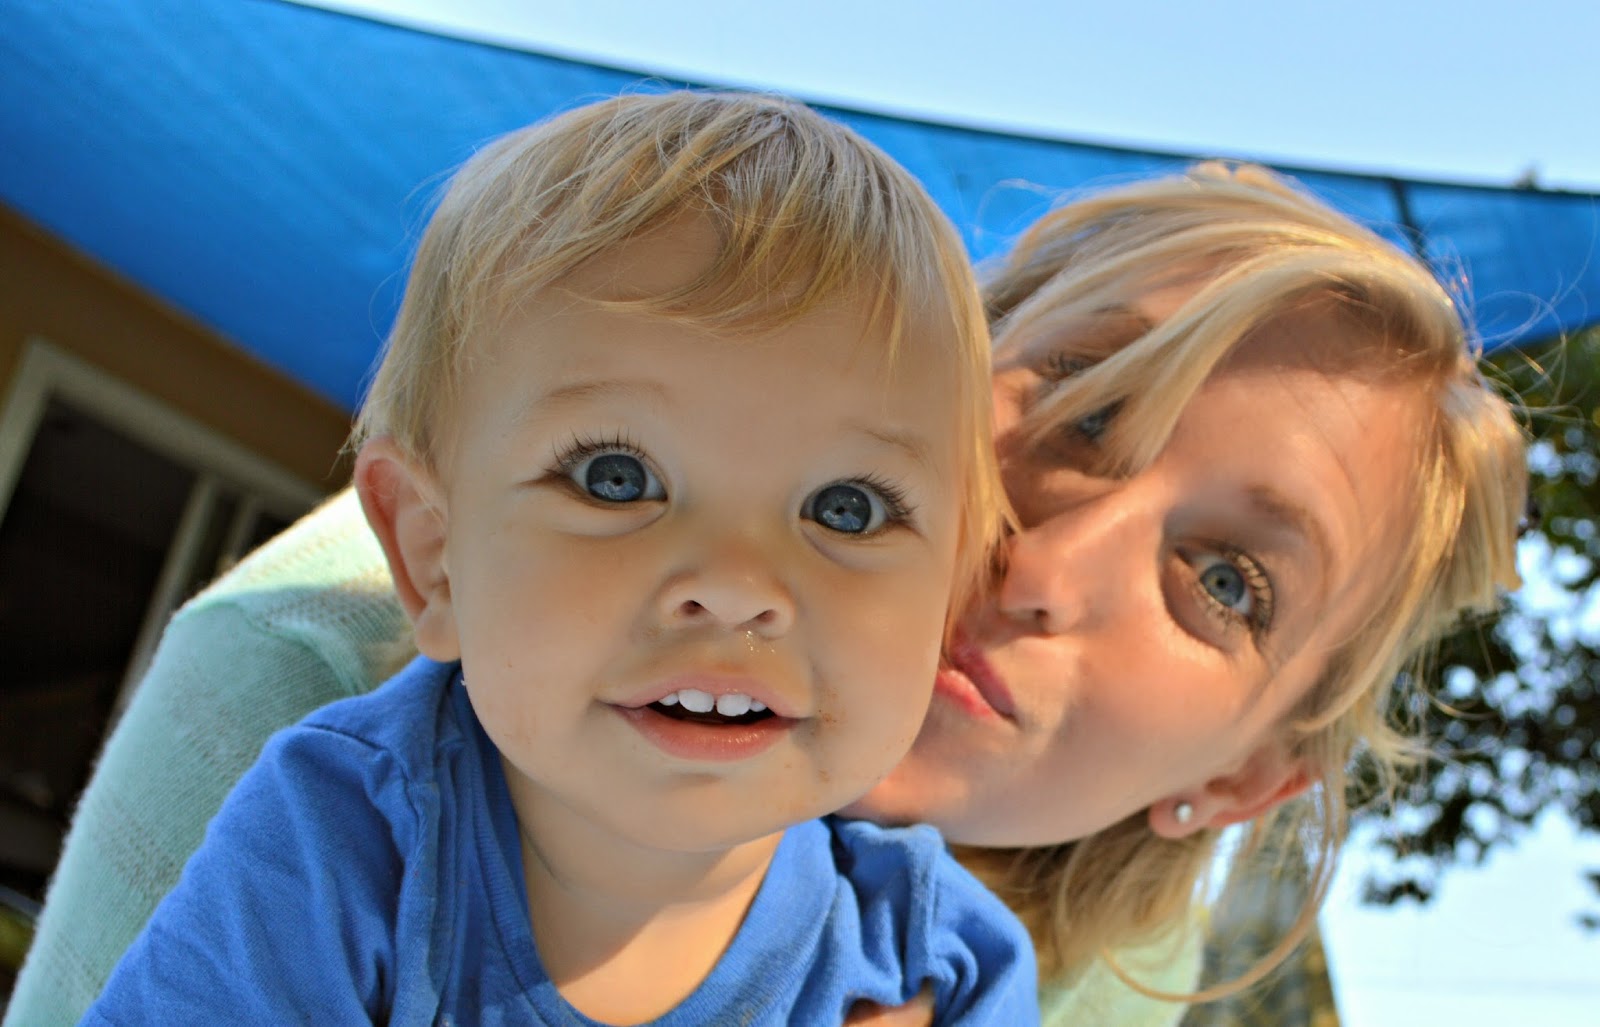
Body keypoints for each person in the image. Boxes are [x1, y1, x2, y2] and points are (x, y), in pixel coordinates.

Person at [8, 156, 1527, 1025]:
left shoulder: (1080, 982)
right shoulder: (332, 691)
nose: (1044, 565)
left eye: (1229, 581)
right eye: (1081, 404)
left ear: (1242, 777)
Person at [79, 91, 1038, 1024]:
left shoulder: (945, 966)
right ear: (433, 554)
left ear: (949, 596)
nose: (736, 586)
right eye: (616, 478)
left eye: (848, 508)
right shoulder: (345, 841)